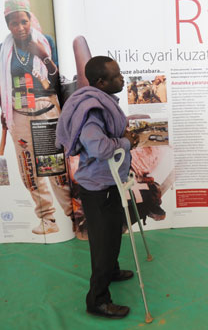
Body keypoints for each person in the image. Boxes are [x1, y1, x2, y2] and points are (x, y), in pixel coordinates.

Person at [56, 56, 139, 318]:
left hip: (108, 181)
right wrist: (124, 142)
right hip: (99, 185)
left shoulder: (99, 102)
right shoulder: (92, 111)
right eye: (116, 76)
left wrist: (123, 139)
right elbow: (100, 148)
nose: (122, 79)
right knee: (104, 245)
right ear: (101, 82)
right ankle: (97, 300)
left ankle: (111, 271)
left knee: (112, 235)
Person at [0, 0, 72, 234]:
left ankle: (73, 215)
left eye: (23, 21)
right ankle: (47, 219)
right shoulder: (3, 50)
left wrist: (43, 56)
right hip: (18, 115)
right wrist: (4, 108)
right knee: (28, 167)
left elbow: (58, 81)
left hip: (47, 111)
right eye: (13, 23)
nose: (19, 27)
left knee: (53, 165)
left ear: (30, 19)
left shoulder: (46, 41)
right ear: (7, 24)